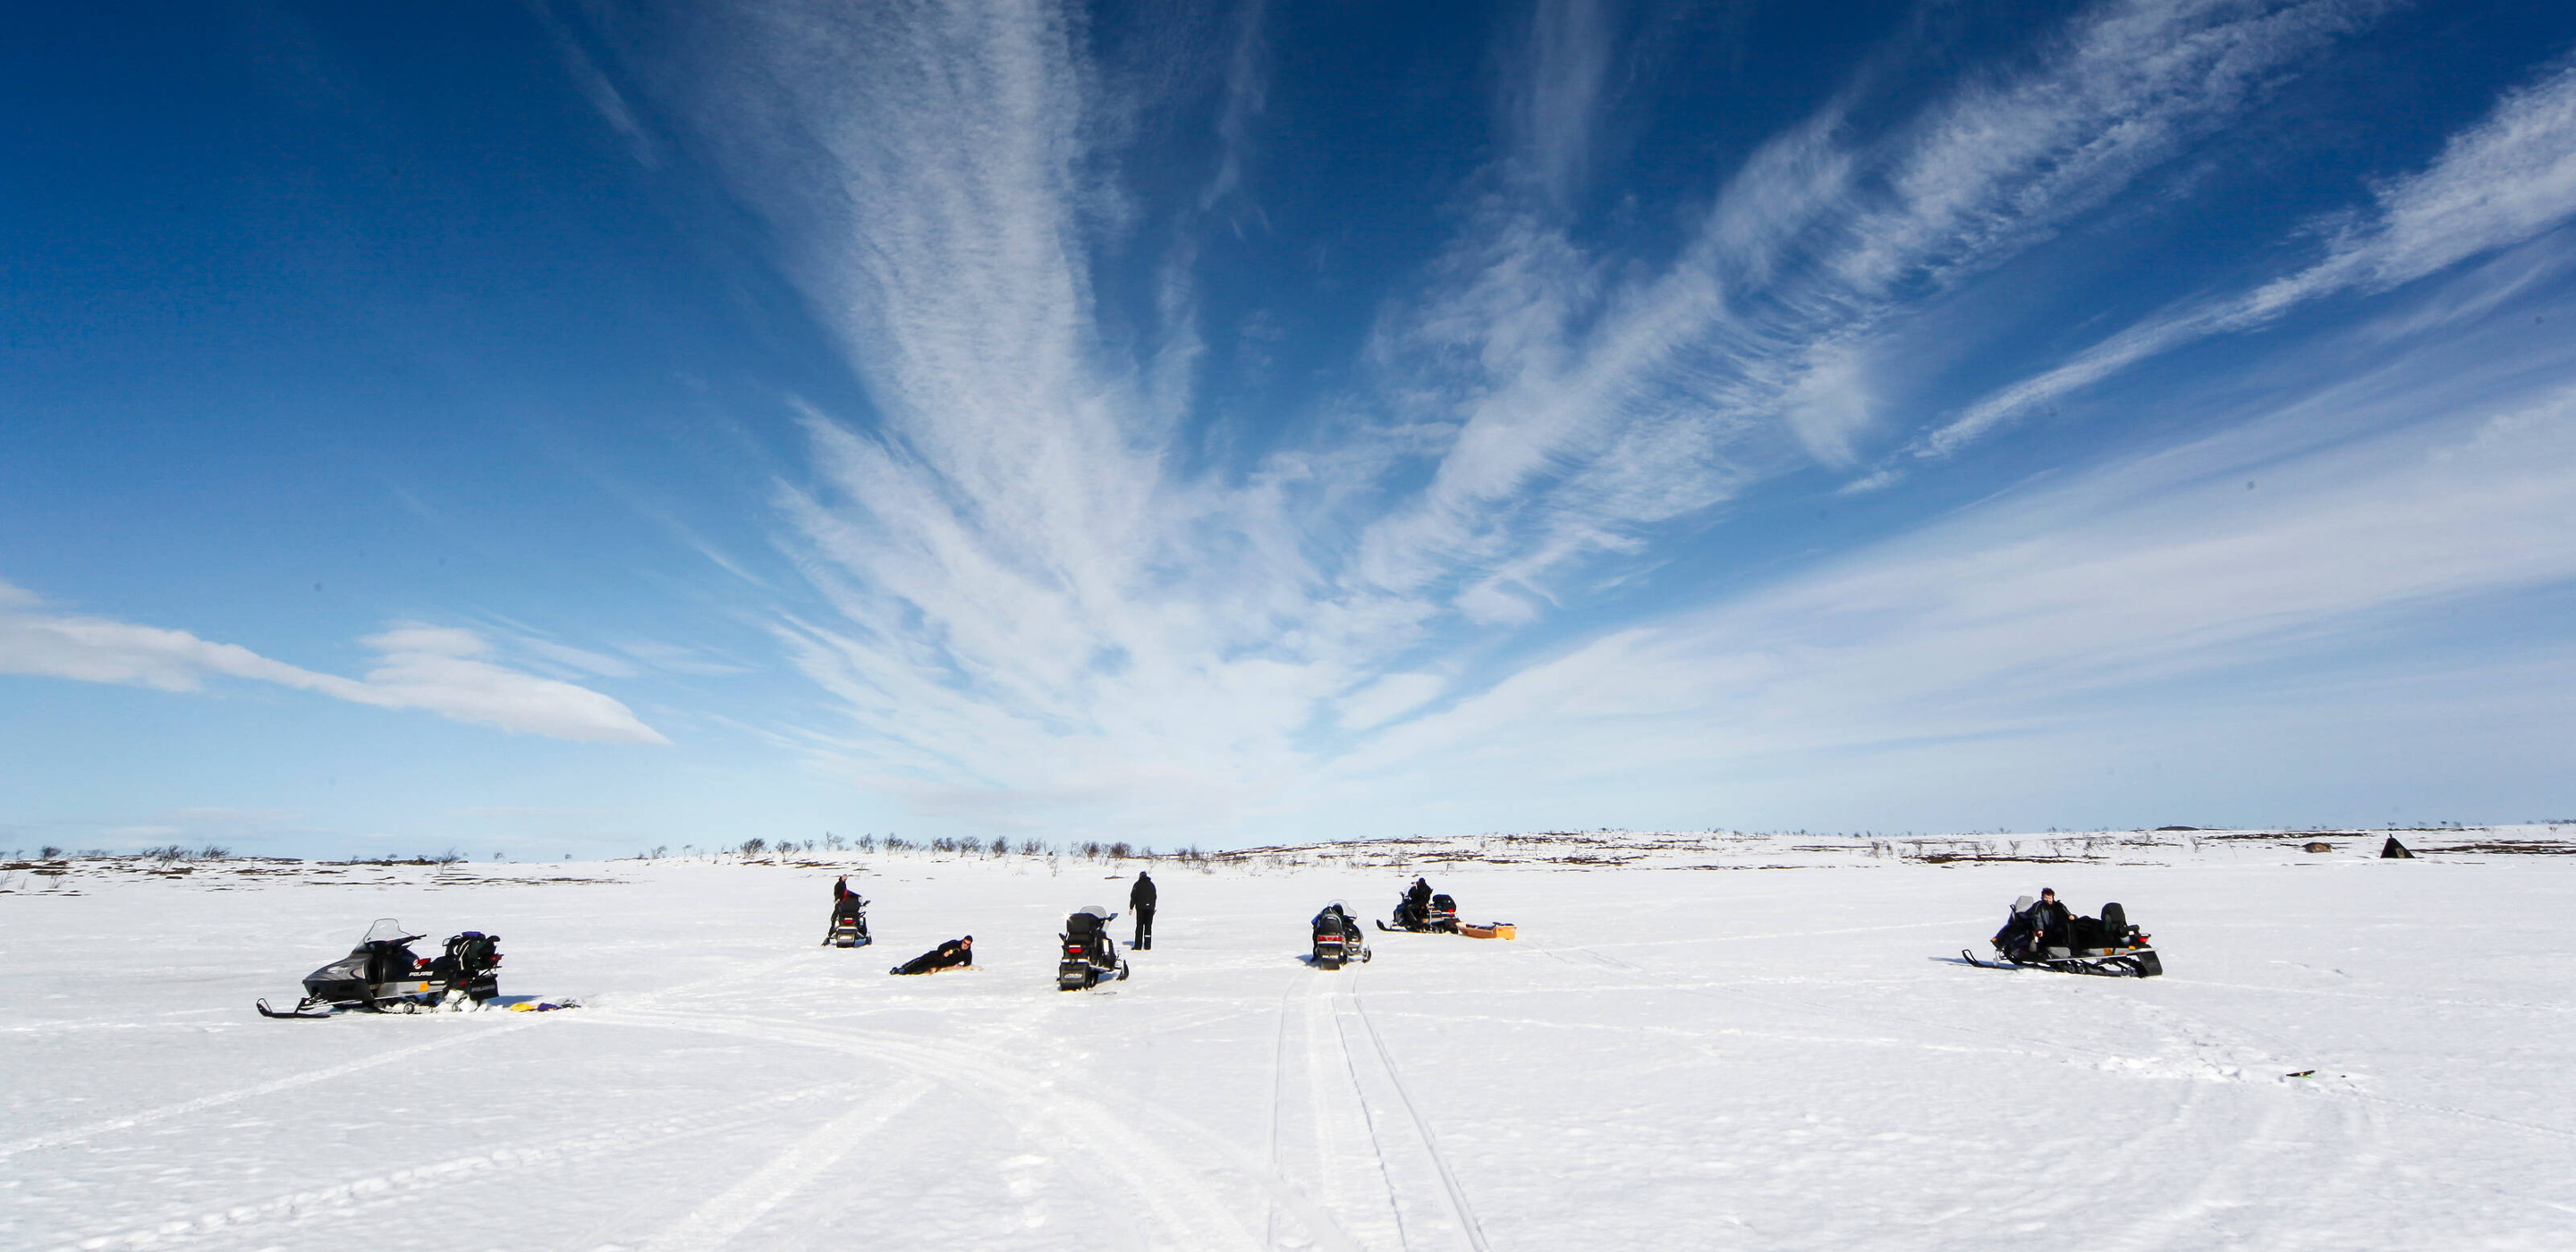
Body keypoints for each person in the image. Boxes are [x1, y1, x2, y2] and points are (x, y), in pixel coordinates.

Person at [891, 935, 972, 976]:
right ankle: (902, 969)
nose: (965, 945)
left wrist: (958, 966)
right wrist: (945, 952)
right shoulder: (954, 943)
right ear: (962, 941)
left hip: (940, 964)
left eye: (968, 944)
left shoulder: (967, 954)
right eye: (964, 942)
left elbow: (967, 964)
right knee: (920, 961)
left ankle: (907, 972)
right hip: (936, 955)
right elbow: (941, 947)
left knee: (922, 970)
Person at [1129, 871, 1157, 951]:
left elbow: (1133, 896)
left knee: (1139, 926)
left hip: (1140, 909)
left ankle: (1138, 946)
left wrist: (1131, 907)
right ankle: (1147, 946)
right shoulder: (1152, 885)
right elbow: (1154, 897)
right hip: (1150, 909)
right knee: (1148, 927)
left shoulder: (1137, 885)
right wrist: (1153, 908)